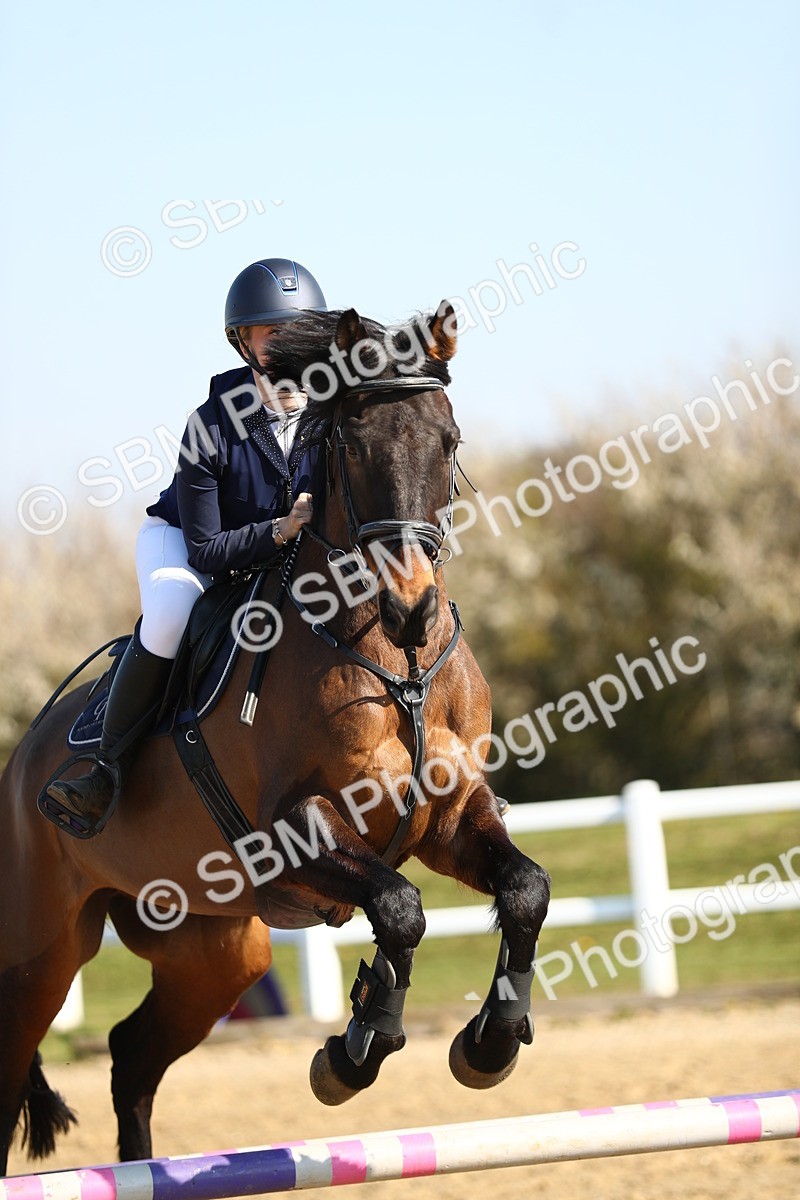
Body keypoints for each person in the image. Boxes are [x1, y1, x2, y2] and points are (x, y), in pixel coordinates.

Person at [46, 258, 327, 829]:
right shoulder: (211, 424)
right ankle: (105, 766)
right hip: (186, 544)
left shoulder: (332, 416)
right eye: (275, 334)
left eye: (300, 334)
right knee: (172, 611)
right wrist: (281, 530)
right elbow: (207, 551)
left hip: (279, 556)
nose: (291, 349)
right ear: (244, 343)